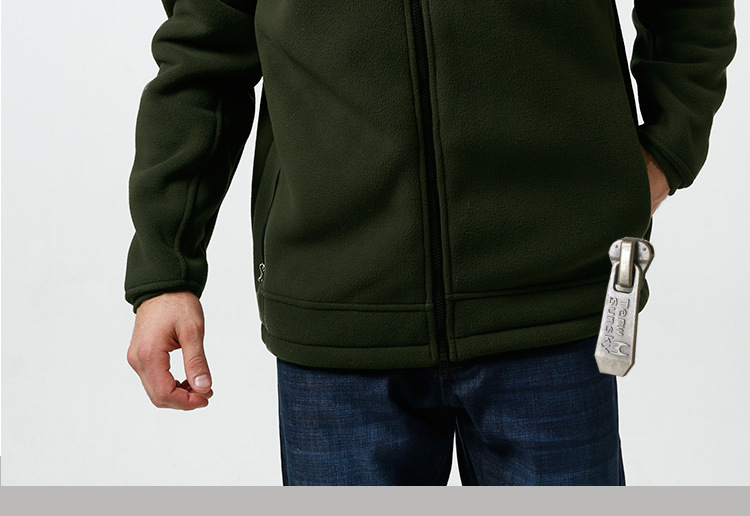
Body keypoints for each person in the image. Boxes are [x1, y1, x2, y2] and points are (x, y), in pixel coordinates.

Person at [124, 0, 736, 485]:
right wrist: (166, 270)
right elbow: (204, 51)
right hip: (339, 313)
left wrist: (667, 148)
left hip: (548, 299)